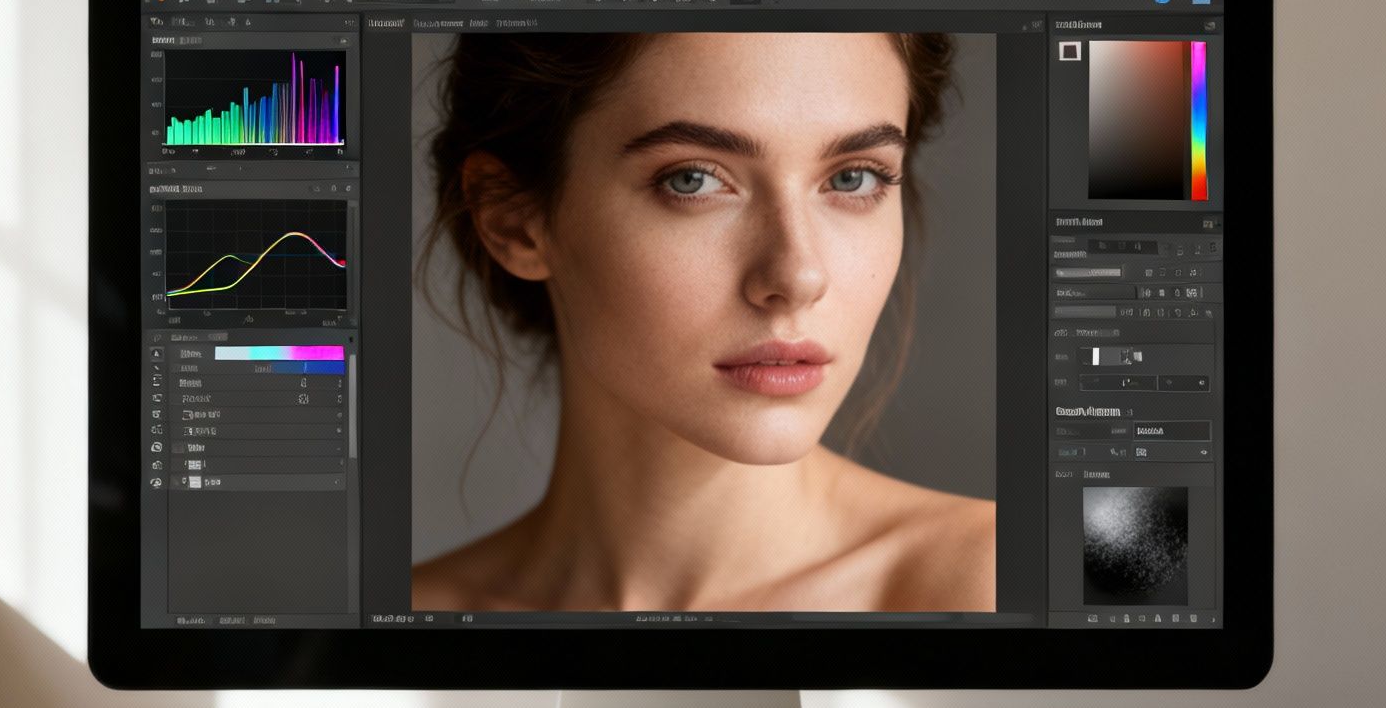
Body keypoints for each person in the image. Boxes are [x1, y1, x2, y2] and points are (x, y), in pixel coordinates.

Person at [413, 32, 994, 612]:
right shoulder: (392, 625)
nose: (797, 276)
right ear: (513, 220)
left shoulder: (994, 583)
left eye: (854, 177)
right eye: (692, 179)